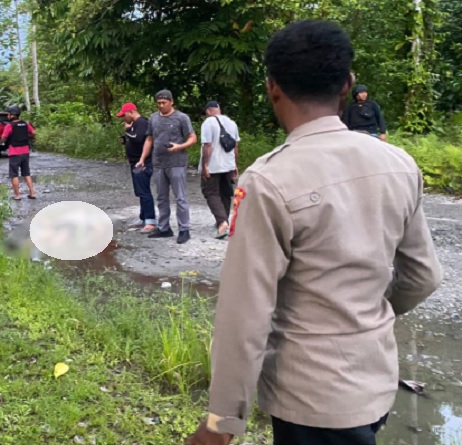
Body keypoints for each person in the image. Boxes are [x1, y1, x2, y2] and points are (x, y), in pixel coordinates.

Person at [185, 20, 444, 445]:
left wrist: (222, 422)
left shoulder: (270, 180)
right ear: (348, 84)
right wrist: (364, 317)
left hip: (310, 399)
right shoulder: (398, 164)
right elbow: (423, 277)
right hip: (375, 384)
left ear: (273, 87)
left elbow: (244, 315)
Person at [136, 90, 197, 244]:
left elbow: (192, 137)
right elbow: (149, 139)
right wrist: (142, 158)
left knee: (180, 197)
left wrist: (180, 146)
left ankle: (184, 229)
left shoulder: (181, 118)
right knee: (162, 197)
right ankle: (164, 228)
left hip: (177, 162)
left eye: (164, 103)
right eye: (159, 103)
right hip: (158, 162)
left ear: (171, 102)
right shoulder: (153, 118)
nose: (161, 105)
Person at [199, 101, 240, 239]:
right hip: (228, 164)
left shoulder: (208, 122)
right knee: (225, 192)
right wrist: (235, 165)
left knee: (210, 192)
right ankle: (224, 221)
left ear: (209, 111)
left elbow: (208, 145)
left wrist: (205, 165)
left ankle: (222, 223)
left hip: (213, 165)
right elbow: (235, 146)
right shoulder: (232, 123)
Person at [117, 102, 156, 234]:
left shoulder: (142, 123)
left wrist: (127, 130)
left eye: (124, 115)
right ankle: (143, 217)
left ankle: (150, 221)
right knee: (139, 191)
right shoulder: (135, 124)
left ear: (131, 112)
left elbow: (139, 138)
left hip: (142, 162)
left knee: (144, 191)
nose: (123, 118)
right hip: (134, 162)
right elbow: (134, 139)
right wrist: (125, 139)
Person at [1, 105, 36, 201]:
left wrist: (4, 140)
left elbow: (3, 138)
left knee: (14, 174)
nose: (7, 115)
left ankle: (17, 195)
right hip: (25, 151)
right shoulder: (25, 124)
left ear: (12, 115)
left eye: (8, 114)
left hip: (14, 152)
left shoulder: (9, 126)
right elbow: (33, 133)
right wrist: (28, 136)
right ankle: (32, 193)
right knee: (26, 173)